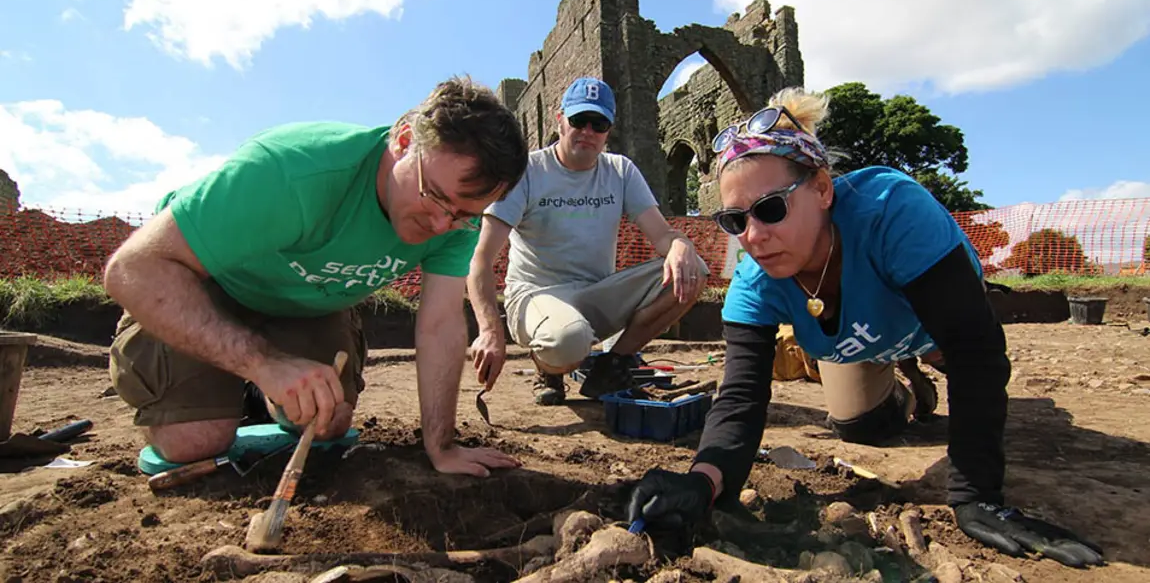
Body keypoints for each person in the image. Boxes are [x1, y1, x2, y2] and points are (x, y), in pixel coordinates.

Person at [626, 88, 1104, 568]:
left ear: (822, 189)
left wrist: (976, 494)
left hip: (932, 321)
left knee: (957, 360)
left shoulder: (892, 212)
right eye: (735, 219)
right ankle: (909, 388)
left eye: (770, 208)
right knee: (861, 426)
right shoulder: (754, 277)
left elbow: (977, 353)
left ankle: (922, 361)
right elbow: (741, 395)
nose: (753, 236)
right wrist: (704, 480)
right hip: (862, 341)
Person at [104, 76, 530, 478]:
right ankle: (241, 378)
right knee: (194, 441)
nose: (441, 224)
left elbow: (440, 325)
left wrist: (442, 447)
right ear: (403, 141)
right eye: (434, 196)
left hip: (302, 305)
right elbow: (132, 270)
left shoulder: (457, 220)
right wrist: (262, 363)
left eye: (463, 215)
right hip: (202, 287)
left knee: (329, 420)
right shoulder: (292, 170)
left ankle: (258, 390)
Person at [467, 77, 710, 405]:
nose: (588, 131)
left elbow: (663, 235)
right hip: (537, 295)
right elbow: (480, 259)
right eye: (579, 120)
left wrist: (682, 245)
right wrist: (489, 330)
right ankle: (547, 367)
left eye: (599, 123)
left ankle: (613, 365)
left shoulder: (620, 171)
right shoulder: (528, 171)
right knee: (570, 338)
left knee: (694, 269)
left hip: (597, 294)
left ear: (609, 129)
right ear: (560, 120)